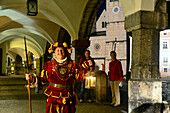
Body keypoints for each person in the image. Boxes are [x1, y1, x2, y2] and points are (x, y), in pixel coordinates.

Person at [26, 42, 87, 113]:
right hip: (53, 97)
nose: (60, 52)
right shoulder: (48, 65)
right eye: (57, 50)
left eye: (62, 50)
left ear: (65, 51)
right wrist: (31, 78)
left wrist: (86, 66)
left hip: (68, 98)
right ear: (54, 52)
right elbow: (42, 80)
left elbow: (79, 76)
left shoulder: (72, 66)